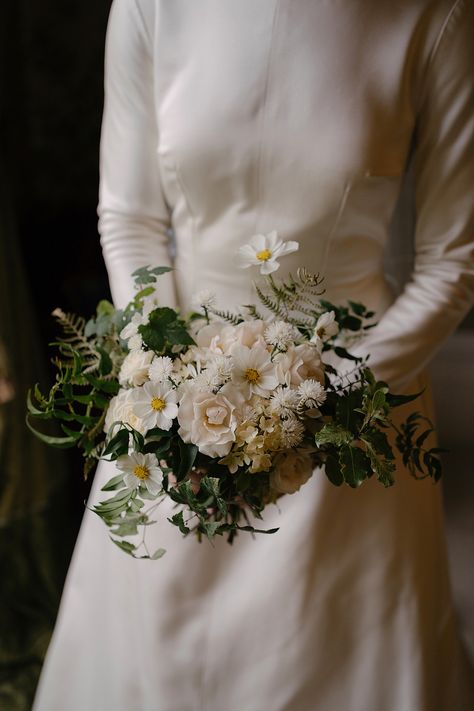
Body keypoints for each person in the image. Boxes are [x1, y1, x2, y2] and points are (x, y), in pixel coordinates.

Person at [33, 1, 474, 709]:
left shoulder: (433, 15)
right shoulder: (150, 7)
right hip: (173, 407)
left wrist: (326, 401)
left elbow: (453, 261)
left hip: (351, 417)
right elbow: (131, 217)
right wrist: (170, 381)